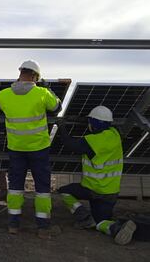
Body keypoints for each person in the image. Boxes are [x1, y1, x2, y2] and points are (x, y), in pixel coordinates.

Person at [0, 60, 62, 238]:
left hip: (16, 148)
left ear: (20, 73)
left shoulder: (3, 95)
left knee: (15, 186)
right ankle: (43, 227)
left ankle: (13, 225)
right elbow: (57, 107)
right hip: (39, 148)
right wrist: (47, 88)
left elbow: (6, 106)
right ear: (35, 77)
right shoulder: (42, 93)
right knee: (42, 188)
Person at [57, 105, 136, 245]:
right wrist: (80, 119)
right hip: (111, 193)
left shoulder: (93, 142)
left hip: (92, 189)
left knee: (64, 192)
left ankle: (84, 218)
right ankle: (115, 228)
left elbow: (69, 144)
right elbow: (100, 124)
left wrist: (61, 126)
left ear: (93, 124)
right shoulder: (115, 134)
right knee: (100, 222)